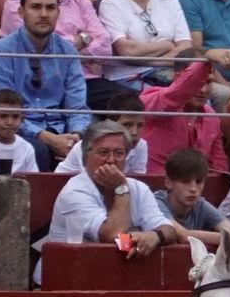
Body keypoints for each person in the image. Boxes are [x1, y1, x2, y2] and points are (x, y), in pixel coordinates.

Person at [43, 119, 177, 285]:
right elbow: (113, 235)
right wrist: (121, 187)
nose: (111, 160)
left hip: (114, 279)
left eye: (119, 153)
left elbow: (169, 229)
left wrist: (155, 236)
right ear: (86, 156)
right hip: (66, 281)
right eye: (103, 152)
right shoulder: (75, 191)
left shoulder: (139, 188)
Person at [0, 0, 90, 169]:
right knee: (38, 150)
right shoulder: (3, 50)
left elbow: (77, 107)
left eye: (50, 7)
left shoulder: (67, 51)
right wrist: (48, 138)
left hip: (62, 129)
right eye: (36, 7)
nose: (44, 14)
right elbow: (5, 110)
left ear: (58, 12)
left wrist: (75, 136)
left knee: (97, 145)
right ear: (21, 12)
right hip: (20, 129)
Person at [0, 0, 116, 96]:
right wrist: (85, 39)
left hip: (88, 81)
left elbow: (105, 46)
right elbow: (45, 51)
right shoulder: (17, 3)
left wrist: (71, 49)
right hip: (42, 84)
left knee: (133, 105)